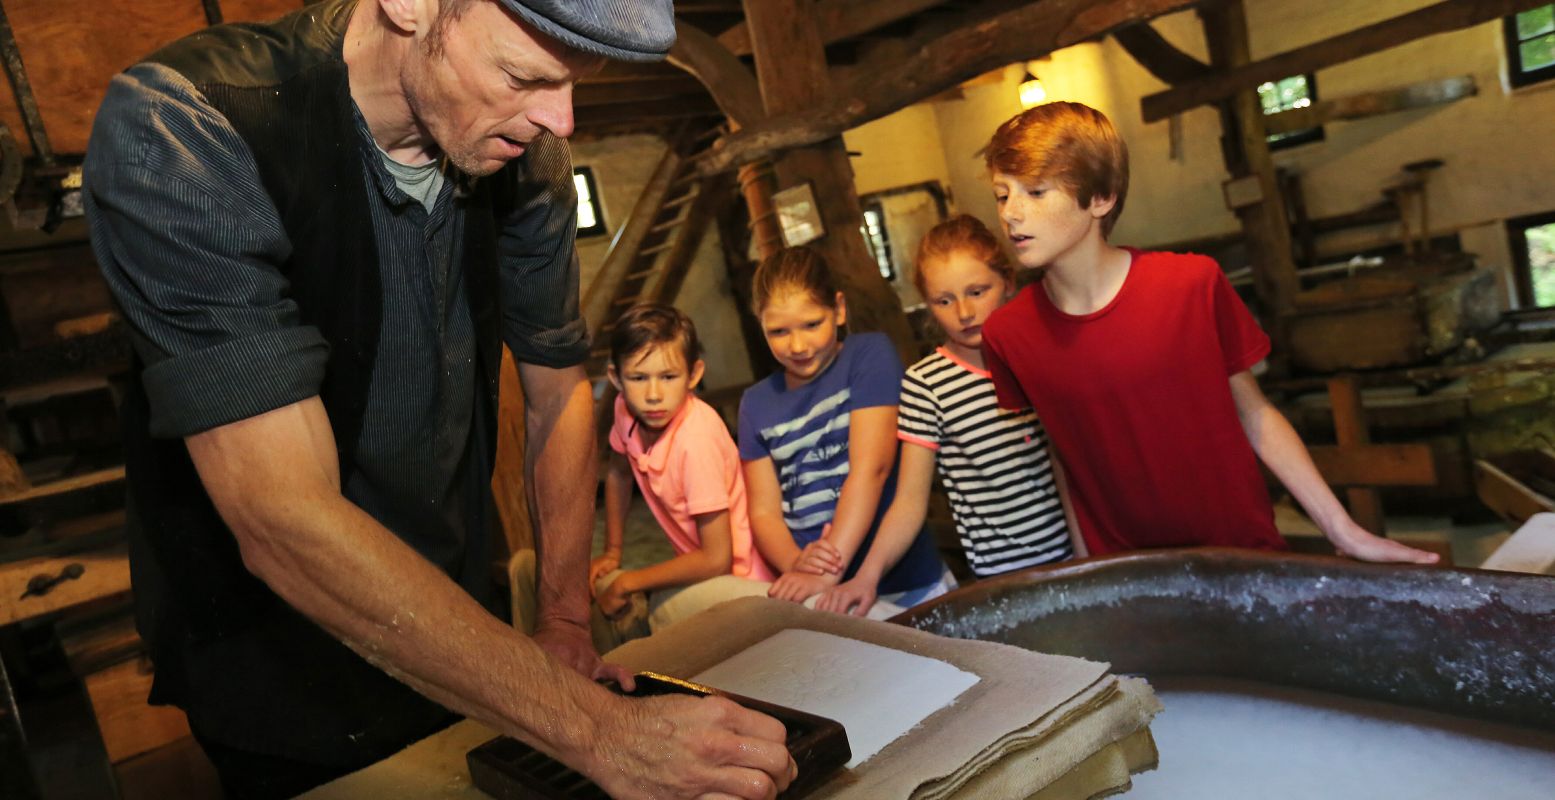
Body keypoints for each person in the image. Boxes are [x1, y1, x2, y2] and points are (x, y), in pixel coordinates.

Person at [81, 1, 794, 797]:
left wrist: (559, 624)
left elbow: (558, 390)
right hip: (278, 658)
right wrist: (599, 732)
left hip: (463, 611)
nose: (559, 120)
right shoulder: (189, 127)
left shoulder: (529, 152)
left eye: (573, 84)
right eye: (524, 75)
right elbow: (282, 515)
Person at [978, 101, 1439, 566]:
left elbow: (1255, 414)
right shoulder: (1007, 333)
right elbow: (1066, 453)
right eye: (1002, 194)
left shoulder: (1190, 284)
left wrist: (1345, 531)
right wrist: (1087, 568)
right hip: (1130, 576)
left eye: (1035, 192)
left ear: (1101, 197)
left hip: (1239, 555)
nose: (1012, 214)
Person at [816, 215, 1081, 615]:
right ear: (926, 302)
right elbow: (908, 501)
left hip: (1071, 565)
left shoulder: (1038, 359)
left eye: (978, 291)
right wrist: (866, 576)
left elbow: (1069, 468)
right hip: (1000, 583)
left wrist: (1086, 558)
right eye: (944, 300)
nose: (964, 311)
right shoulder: (927, 385)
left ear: (1007, 283)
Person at [737, 247, 955, 619]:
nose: (798, 345)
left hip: (902, 581)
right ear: (759, 324)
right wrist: (797, 562)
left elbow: (872, 469)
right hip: (817, 594)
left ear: (838, 309)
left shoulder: (868, 356)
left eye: (811, 324)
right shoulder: (755, 404)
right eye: (778, 331)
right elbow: (763, 511)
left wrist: (826, 571)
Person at [591, 304, 776, 639]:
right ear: (616, 378)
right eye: (638, 378)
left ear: (694, 374)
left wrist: (630, 580)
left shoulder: (696, 440)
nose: (653, 395)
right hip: (702, 568)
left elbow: (716, 559)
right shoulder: (625, 410)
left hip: (743, 579)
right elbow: (619, 471)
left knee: (659, 614)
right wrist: (613, 551)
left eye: (668, 377)